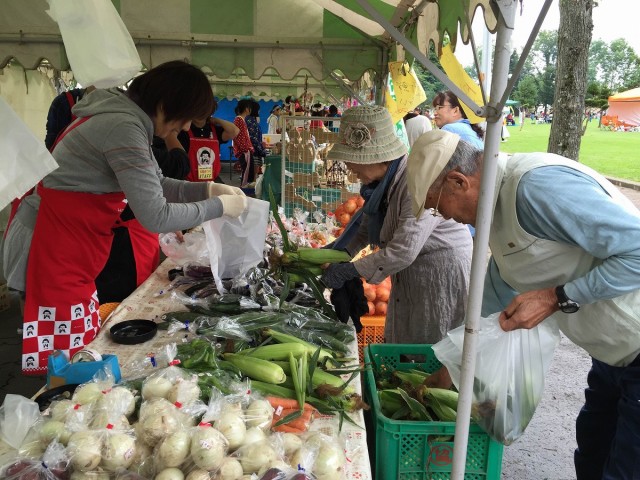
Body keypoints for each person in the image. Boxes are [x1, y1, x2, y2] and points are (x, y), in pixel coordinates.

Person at [407, 129, 640, 480]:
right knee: (592, 452)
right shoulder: (497, 216)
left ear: (458, 182)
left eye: (439, 209)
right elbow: (488, 310)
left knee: (626, 468)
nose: (447, 218)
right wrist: (451, 372)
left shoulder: (536, 189)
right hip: (611, 356)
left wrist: (556, 297)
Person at [2, 60, 248, 375]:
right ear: (164, 105)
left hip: (68, 242)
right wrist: (219, 207)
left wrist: (208, 190)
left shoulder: (125, 119)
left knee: (77, 346)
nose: (186, 128)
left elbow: (157, 183)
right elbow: (156, 215)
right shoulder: (122, 126)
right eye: (185, 119)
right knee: (66, 357)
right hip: (50, 245)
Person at [320, 106, 473, 344]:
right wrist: (341, 252)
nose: (349, 168)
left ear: (374, 158)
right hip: (411, 267)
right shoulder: (379, 186)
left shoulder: (414, 182)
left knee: (433, 338)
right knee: (406, 332)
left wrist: (350, 270)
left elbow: (403, 249)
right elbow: (365, 227)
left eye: (351, 161)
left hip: (440, 268)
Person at [152, 99, 239, 182]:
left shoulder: (215, 130)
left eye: (205, 109)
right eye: (198, 108)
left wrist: (216, 120)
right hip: (187, 180)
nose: (200, 112)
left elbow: (235, 131)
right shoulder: (183, 130)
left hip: (211, 180)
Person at [233, 98, 255, 187]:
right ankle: (244, 192)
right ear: (246, 108)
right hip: (244, 151)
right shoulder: (239, 120)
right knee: (246, 174)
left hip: (245, 150)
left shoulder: (241, 120)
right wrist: (246, 149)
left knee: (247, 173)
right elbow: (239, 137)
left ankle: (245, 191)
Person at [246, 100, 268, 180]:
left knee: (254, 173)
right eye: (258, 109)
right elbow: (253, 138)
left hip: (254, 149)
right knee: (253, 174)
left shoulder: (251, 120)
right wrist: (261, 150)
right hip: (253, 151)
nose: (259, 111)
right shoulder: (251, 121)